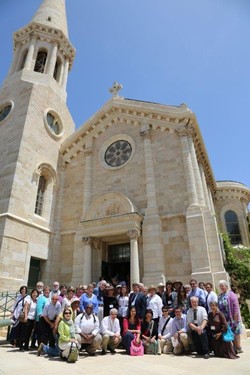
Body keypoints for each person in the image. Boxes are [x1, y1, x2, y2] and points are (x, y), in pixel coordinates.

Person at [218, 280, 243, 354]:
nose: (222, 287)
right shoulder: (220, 295)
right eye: (220, 286)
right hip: (225, 318)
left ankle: (238, 347)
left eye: (223, 286)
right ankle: (233, 348)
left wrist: (235, 318)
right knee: (229, 332)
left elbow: (235, 307)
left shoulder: (231, 294)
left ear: (226, 286)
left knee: (235, 332)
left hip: (232, 317)